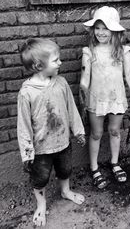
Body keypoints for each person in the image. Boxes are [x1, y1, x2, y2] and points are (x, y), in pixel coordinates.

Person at [17, 38, 86, 227]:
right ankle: (41, 204)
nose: (60, 63)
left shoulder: (61, 83)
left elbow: (70, 107)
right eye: (56, 60)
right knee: (40, 178)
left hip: (63, 141)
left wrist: (78, 130)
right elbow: (23, 125)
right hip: (40, 149)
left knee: (65, 169)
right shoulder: (27, 93)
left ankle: (65, 191)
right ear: (39, 65)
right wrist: (27, 152)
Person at [80, 6, 130, 189]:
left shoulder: (122, 51)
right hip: (96, 99)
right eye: (97, 28)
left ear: (114, 30)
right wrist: (82, 103)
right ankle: (94, 167)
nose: (100, 32)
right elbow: (84, 79)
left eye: (105, 28)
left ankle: (115, 163)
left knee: (115, 131)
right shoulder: (89, 51)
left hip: (116, 98)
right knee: (96, 133)